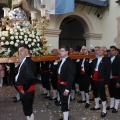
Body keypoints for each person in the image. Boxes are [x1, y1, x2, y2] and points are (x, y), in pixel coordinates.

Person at [15, 44, 36, 120]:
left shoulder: (28, 62)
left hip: (26, 90)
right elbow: (21, 73)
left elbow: (30, 77)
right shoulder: (24, 61)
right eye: (19, 51)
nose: (19, 53)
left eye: (21, 51)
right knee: (26, 108)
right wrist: (17, 66)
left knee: (28, 109)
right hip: (23, 89)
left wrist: (25, 89)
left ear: (26, 51)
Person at [90, 46, 111, 118]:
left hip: (101, 80)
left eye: (101, 50)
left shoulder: (107, 60)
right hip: (94, 79)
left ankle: (104, 110)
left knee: (102, 95)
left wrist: (107, 83)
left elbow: (108, 73)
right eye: (98, 50)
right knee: (95, 93)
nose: (99, 51)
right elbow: (92, 69)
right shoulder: (94, 60)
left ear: (104, 52)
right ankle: (97, 106)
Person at [58, 45, 76, 120]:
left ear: (67, 52)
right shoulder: (61, 61)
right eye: (60, 51)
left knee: (65, 102)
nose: (60, 52)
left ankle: (66, 118)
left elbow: (71, 77)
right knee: (63, 102)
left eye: (62, 51)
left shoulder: (70, 62)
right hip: (60, 85)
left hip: (65, 86)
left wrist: (67, 89)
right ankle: (65, 116)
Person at [107, 46, 120, 113]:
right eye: (110, 50)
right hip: (110, 79)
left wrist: (118, 81)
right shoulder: (109, 59)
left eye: (113, 50)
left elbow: (119, 71)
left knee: (117, 93)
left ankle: (116, 107)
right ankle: (112, 105)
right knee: (111, 92)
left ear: (116, 51)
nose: (111, 51)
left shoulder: (118, 59)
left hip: (116, 79)